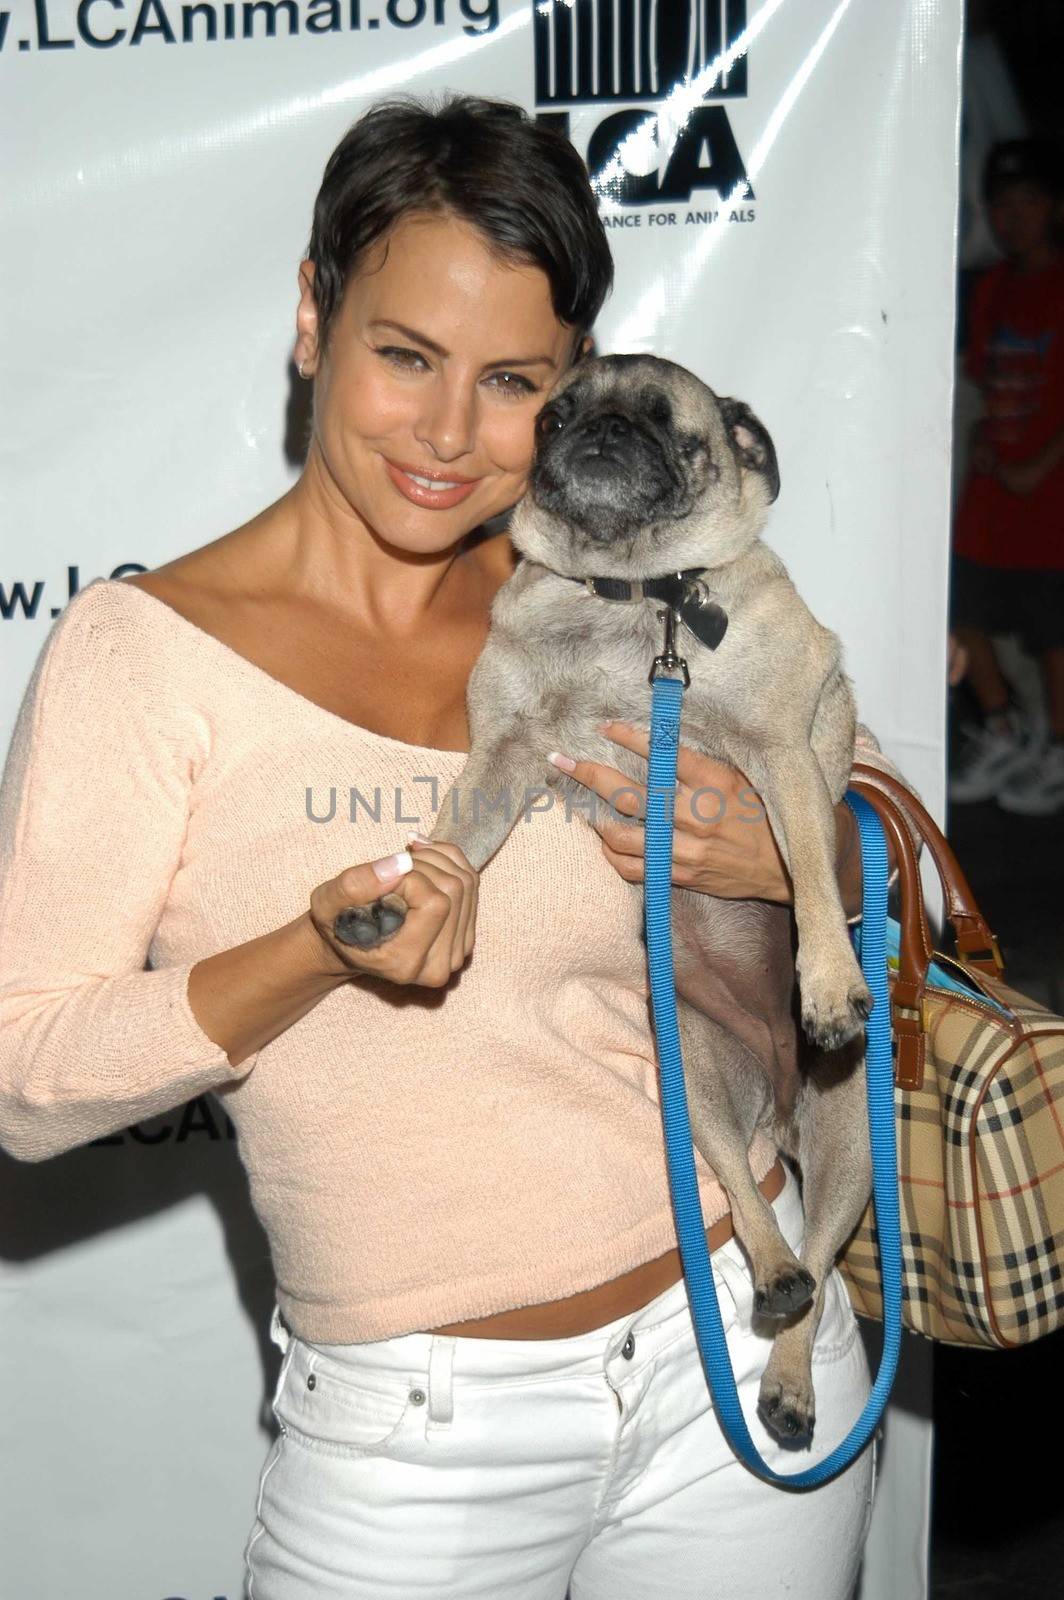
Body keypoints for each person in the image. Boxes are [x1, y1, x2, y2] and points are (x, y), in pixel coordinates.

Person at [0, 96, 915, 1599]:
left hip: (745, 1366)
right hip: (420, 1441)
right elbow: (27, 1079)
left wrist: (776, 853)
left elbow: (887, 844)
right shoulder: (145, 657)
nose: (445, 434)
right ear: (313, 316)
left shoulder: (638, 587)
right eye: (402, 355)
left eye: (510, 382)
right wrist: (315, 951)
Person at [949, 137, 1064, 814]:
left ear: (1055, 207)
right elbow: (985, 382)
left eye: (1028, 201)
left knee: (1052, 628)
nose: (1013, 216)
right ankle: (1003, 729)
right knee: (964, 606)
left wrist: (1035, 466)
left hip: (1048, 488)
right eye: (1002, 204)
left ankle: (1057, 748)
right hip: (995, 485)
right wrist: (986, 446)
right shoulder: (992, 287)